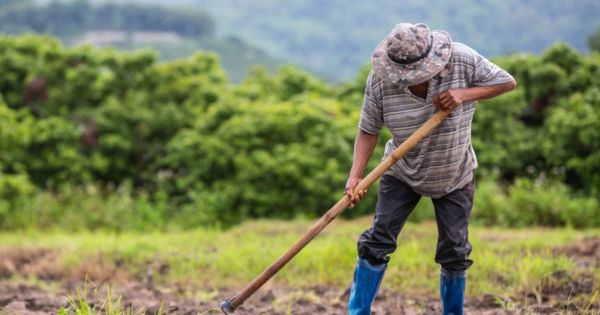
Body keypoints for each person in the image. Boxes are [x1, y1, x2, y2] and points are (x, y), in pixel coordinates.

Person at [345, 23, 516, 315]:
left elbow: (506, 82)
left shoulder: (461, 59)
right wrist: (355, 176)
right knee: (377, 240)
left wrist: (463, 94)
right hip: (402, 171)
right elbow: (368, 129)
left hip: (454, 173)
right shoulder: (380, 81)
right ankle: (357, 311)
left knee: (454, 250)